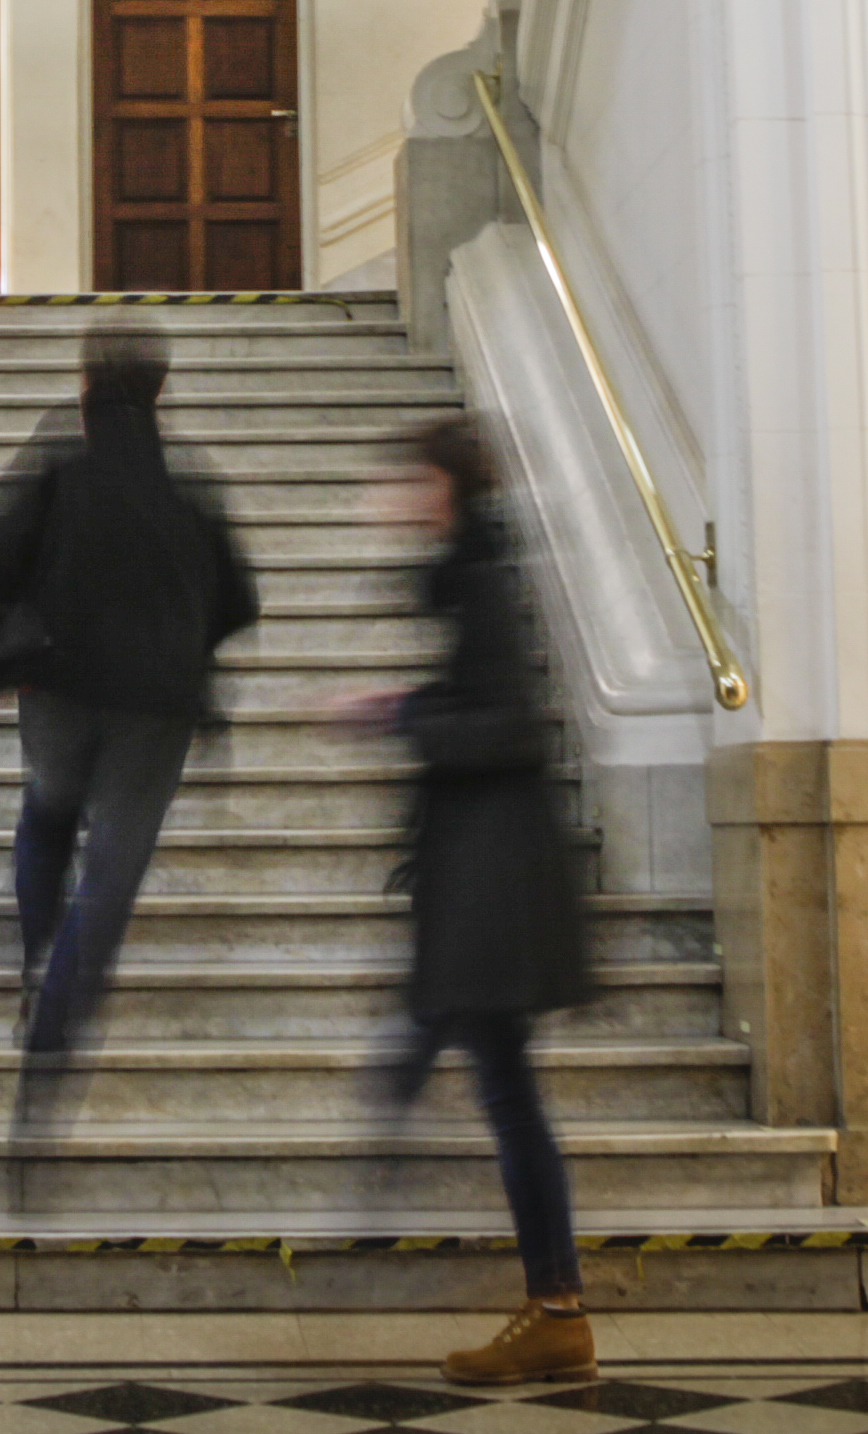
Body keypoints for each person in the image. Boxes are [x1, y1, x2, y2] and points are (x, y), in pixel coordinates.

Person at [356, 414, 598, 1386]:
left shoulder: (483, 581)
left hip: (492, 882)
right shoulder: (468, 575)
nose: (392, 501)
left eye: (407, 482)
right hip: (480, 874)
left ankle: (558, 1309)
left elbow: (509, 725)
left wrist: (401, 710)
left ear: (442, 487)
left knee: (506, 1093)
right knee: (499, 1083)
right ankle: (555, 1305)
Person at [0, 328, 257, 1087]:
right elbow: (239, 599)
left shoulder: (58, 467)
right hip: (157, 708)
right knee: (112, 872)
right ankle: (54, 1036)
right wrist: (185, 646)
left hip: (57, 683)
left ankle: (32, 955)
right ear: (161, 392)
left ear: (86, 388)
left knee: (49, 807)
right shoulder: (188, 486)